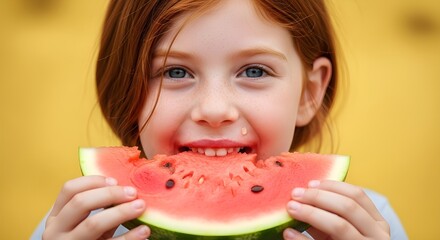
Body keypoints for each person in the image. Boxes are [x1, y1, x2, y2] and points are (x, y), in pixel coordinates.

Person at [32, 0, 408, 239]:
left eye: (255, 71)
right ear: (128, 92)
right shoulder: (78, 226)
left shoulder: (366, 224)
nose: (214, 111)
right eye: (175, 72)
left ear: (309, 93)